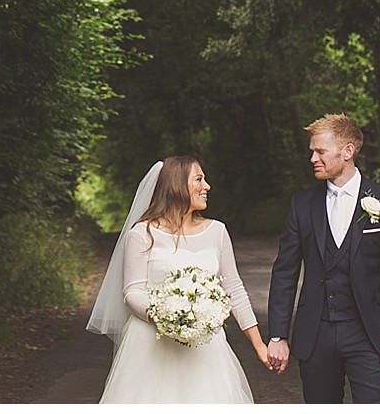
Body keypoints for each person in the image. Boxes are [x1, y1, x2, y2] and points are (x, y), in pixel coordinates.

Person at [86, 156, 272, 403]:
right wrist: (167, 317)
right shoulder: (143, 234)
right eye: (199, 179)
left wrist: (259, 344)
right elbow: (133, 292)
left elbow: (235, 290)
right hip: (149, 345)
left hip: (205, 349)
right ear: (176, 185)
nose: (207, 186)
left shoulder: (217, 231)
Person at [267, 114, 380, 403]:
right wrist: (277, 335)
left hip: (369, 335)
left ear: (348, 151)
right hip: (316, 334)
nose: (312, 158)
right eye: (311, 151)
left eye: (320, 151)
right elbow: (285, 272)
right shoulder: (302, 204)